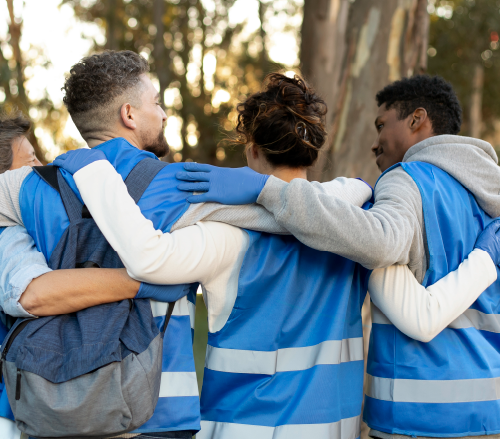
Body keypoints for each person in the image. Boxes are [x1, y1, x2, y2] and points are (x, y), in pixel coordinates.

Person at [49, 74, 500, 438]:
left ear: (252, 150)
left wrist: (93, 171)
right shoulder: (355, 208)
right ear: (313, 149)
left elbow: (147, 259)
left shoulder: (223, 237)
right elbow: (326, 207)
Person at [0, 112, 193, 439]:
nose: (40, 166)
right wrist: (144, 281)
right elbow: (32, 292)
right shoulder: (9, 234)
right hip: (23, 408)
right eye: (30, 159)